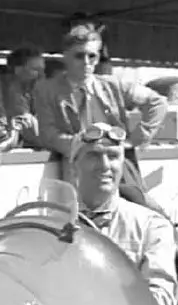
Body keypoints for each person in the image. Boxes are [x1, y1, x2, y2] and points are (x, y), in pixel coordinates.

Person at [34, 25, 167, 189]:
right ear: (65, 57)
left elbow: (157, 102)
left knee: (137, 204)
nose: (86, 62)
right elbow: (48, 134)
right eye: (79, 56)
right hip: (78, 169)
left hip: (118, 167)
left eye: (92, 56)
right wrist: (85, 146)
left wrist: (135, 139)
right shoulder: (46, 90)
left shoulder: (114, 86)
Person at [72, 122, 178, 305]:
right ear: (74, 166)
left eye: (113, 156)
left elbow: (162, 301)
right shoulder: (55, 225)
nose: (105, 165)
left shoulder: (151, 226)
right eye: (94, 156)